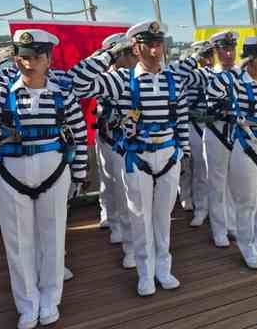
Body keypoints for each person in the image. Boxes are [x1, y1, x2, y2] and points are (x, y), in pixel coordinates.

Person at [0, 29, 88, 329]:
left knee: (53, 239)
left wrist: (80, 174)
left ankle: (50, 300)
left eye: (36, 57)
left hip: (55, 175)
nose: (28, 63)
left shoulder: (64, 95)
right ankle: (27, 304)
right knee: (17, 245)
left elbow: (79, 134)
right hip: (11, 177)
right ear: (14, 59)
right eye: (22, 57)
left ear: (48, 60)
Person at [73, 20, 191, 297]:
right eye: (148, 45)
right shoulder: (120, 81)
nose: (155, 51)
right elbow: (78, 83)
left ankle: (163, 268)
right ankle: (145, 272)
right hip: (137, 156)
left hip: (168, 155)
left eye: (158, 44)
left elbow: (182, 119)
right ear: (135, 48)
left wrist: (183, 152)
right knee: (139, 217)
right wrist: (110, 54)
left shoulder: (174, 79)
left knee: (163, 217)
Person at [207, 37, 257, 269]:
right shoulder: (235, 81)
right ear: (249, 60)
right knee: (247, 201)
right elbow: (212, 95)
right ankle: (247, 245)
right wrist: (236, 72)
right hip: (247, 145)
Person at [93, 33, 138, 268]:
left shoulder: (135, 76)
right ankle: (110, 217)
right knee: (107, 180)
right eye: (124, 53)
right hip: (106, 136)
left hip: (128, 140)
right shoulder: (103, 78)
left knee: (124, 187)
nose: (130, 58)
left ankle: (124, 225)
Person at [201, 30, 240, 247]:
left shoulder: (242, 74)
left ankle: (233, 224)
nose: (229, 53)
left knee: (234, 183)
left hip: (237, 134)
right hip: (216, 132)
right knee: (217, 184)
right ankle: (219, 229)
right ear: (215, 51)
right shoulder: (206, 75)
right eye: (225, 49)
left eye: (232, 48)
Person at [173, 40, 214, 227]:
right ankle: (186, 197)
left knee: (201, 169)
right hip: (186, 125)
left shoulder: (210, 73)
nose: (208, 58)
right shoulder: (187, 72)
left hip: (204, 125)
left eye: (209, 54)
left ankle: (201, 205)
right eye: (205, 54)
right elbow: (179, 75)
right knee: (187, 166)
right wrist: (195, 59)